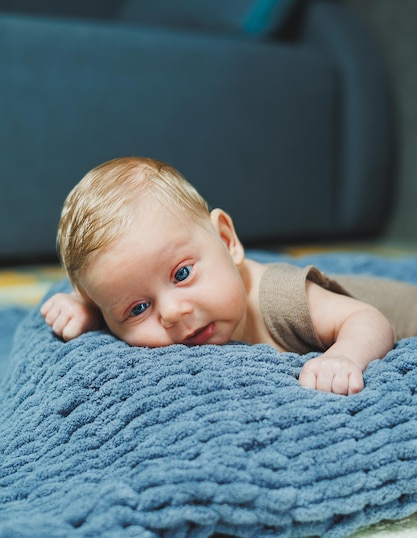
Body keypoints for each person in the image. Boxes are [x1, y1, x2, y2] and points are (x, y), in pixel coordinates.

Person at [41, 156, 417, 396]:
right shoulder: (132, 310)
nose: (172, 312)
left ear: (226, 239)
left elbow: (368, 319)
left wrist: (346, 357)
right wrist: (89, 314)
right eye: (138, 308)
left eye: (182, 273)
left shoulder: (280, 297)